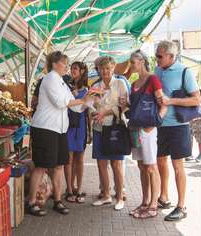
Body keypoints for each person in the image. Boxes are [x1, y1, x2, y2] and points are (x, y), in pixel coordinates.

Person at [28, 51, 92, 216]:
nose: (67, 67)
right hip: (45, 128)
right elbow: (60, 103)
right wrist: (82, 100)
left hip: (60, 129)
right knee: (41, 166)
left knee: (58, 166)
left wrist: (89, 100)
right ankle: (31, 202)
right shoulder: (49, 79)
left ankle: (57, 200)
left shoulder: (63, 83)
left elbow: (75, 106)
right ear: (55, 64)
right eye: (65, 64)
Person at [155, 40, 201, 221]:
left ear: (171, 56)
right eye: (156, 55)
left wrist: (171, 101)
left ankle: (181, 206)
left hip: (179, 127)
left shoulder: (184, 72)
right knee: (160, 162)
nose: (156, 59)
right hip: (160, 125)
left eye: (159, 56)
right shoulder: (157, 70)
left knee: (177, 165)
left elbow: (196, 100)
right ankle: (164, 197)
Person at [122, 50, 167, 219]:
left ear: (141, 62)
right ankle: (145, 202)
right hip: (135, 128)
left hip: (147, 130)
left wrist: (154, 123)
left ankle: (153, 205)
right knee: (142, 167)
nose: (131, 66)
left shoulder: (153, 79)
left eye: (132, 63)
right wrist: (125, 103)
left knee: (151, 166)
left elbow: (164, 105)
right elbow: (135, 106)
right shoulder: (134, 84)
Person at [90, 56, 129, 211]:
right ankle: (106, 195)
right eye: (102, 68)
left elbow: (125, 106)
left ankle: (119, 197)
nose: (105, 71)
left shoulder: (120, 83)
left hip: (115, 128)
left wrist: (106, 112)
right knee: (101, 163)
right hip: (99, 128)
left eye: (108, 68)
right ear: (98, 70)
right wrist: (93, 111)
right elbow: (89, 105)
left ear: (113, 68)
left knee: (116, 164)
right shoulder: (96, 86)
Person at [64, 61, 91, 203]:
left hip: (80, 126)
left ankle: (79, 189)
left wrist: (76, 98)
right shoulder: (66, 86)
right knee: (68, 159)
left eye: (75, 68)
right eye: (71, 68)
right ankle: (69, 189)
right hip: (67, 125)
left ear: (81, 71)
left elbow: (85, 108)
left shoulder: (86, 90)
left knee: (79, 159)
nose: (72, 70)